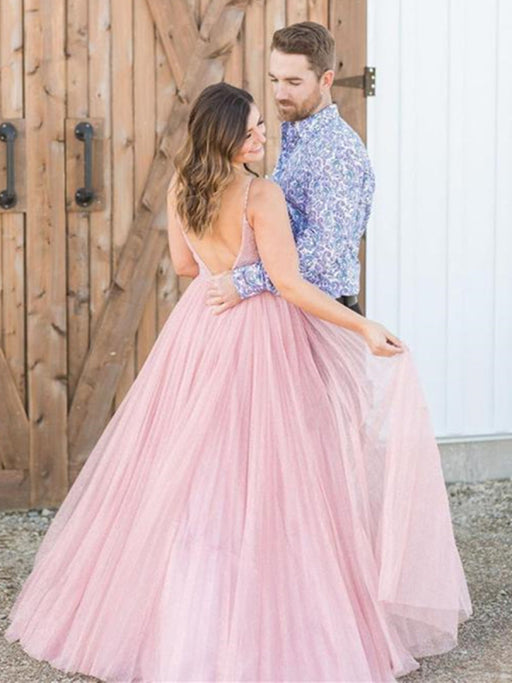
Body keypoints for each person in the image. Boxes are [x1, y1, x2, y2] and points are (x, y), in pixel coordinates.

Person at [5, 82, 472, 683]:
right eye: (248, 131)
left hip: (201, 328)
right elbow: (292, 285)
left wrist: (221, 268)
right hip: (263, 336)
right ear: (222, 136)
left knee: (198, 468)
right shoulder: (260, 193)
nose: (260, 138)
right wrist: (363, 326)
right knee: (279, 471)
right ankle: (277, 604)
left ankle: (188, 613)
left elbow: (184, 266)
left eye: (260, 127)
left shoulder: (181, 185)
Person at [206, 22, 373, 316]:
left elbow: (322, 253)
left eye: (293, 83)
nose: (280, 93)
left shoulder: (336, 151)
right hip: (293, 312)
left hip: (324, 320)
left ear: (326, 80)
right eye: (275, 80)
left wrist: (242, 282)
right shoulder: (300, 137)